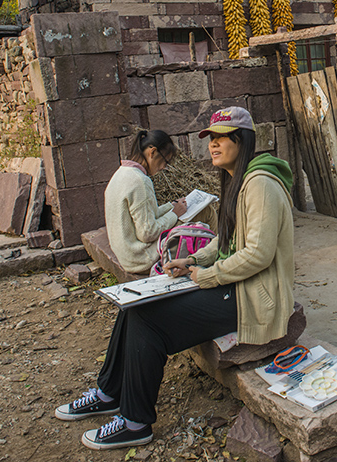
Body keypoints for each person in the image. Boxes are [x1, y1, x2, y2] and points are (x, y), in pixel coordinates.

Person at [54, 107, 296, 450]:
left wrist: (206, 275)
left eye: (222, 137)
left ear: (242, 141)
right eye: (211, 138)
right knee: (133, 307)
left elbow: (258, 255)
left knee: (148, 321)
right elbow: (227, 240)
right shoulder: (236, 182)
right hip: (232, 284)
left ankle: (136, 423)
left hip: (252, 295)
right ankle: (110, 393)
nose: (213, 145)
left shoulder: (260, 186)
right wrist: (192, 259)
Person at [103, 129, 187, 274]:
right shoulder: (140, 181)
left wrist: (170, 206)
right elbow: (147, 233)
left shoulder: (120, 174)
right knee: (201, 215)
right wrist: (174, 214)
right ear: (152, 152)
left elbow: (144, 216)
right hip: (142, 259)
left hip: (127, 257)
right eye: (165, 161)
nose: (163, 167)